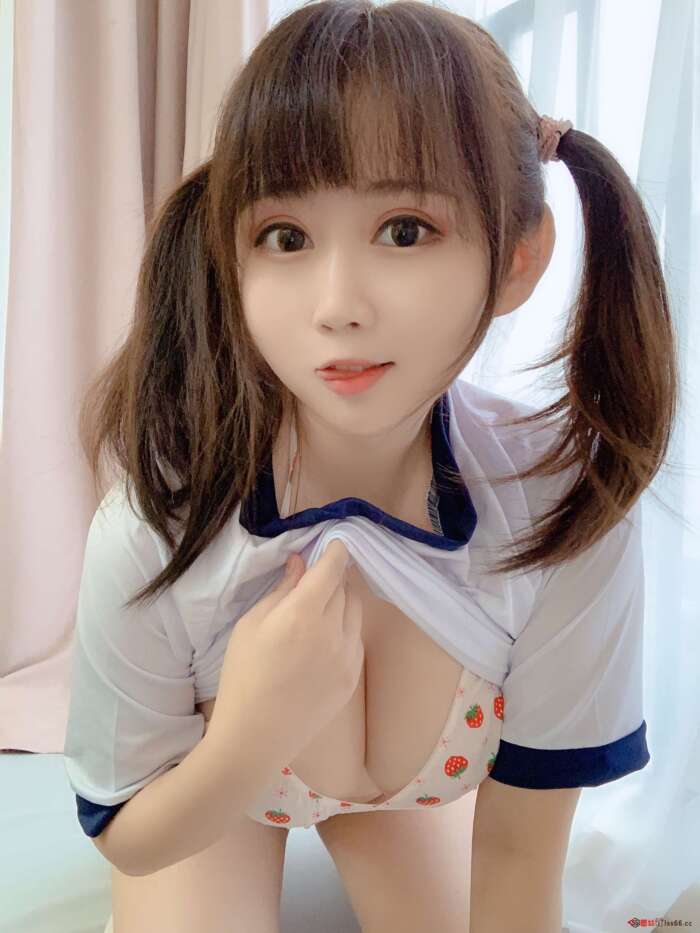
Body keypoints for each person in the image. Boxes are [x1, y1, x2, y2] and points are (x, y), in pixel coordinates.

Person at [64, 0, 677, 929]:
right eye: (285, 237)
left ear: (520, 258)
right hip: (201, 790)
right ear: (232, 260)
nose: (338, 305)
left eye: (404, 230)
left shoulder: (560, 509)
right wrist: (244, 739)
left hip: (411, 799)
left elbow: (520, 853)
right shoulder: (161, 524)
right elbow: (126, 829)